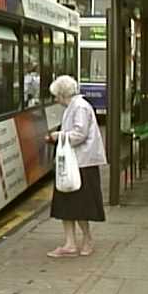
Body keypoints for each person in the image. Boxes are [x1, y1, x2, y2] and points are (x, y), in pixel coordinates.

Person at [45, 75, 106, 258]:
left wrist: (58, 136)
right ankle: (70, 244)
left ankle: (87, 240)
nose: (55, 99)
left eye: (56, 95)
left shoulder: (79, 107)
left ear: (63, 94)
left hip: (82, 163)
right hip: (73, 163)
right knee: (66, 205)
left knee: (81, 205)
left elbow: (79, 134)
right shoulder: (74, 106)